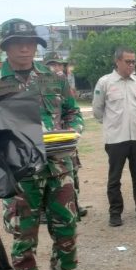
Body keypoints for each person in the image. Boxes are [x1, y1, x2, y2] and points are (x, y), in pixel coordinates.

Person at [0, 18, 86, 270]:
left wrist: (73, 132)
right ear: (6, 46)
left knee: (66, 226)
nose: (25, 48)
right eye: (18, 43)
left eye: (31, 42)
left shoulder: (53, 77)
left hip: (58, 166)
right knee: (23, 233)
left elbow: (73, 113)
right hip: (20, 172)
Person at [92, 47, 136, 227]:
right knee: (114, 177)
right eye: (128, 61)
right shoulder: (105, 82)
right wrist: (111, 125)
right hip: (115, 138)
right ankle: (115, 212)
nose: (132, 65)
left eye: (134, 61)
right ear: (117, 62)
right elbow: (98, 109)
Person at [44, 51, 88, 219]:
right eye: (52, 64)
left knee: (73, 170)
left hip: (66, 139)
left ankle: (74, 203)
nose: (57, 67)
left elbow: (71, 110)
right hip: (49, 140)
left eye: (59, 64)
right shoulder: (41, 84)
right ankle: (44, 209)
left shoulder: (63, 83)